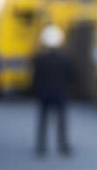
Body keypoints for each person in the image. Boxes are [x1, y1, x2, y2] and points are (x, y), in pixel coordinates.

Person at [32, 24, 73, 156]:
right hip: (60, 94)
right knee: (61, 122)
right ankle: (63, 147)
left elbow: (35, 78)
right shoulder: (66, 59)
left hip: (44, 94)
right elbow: (73, 77)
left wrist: (37, 91)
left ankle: (40, 147)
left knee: (43, 121)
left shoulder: (39, 59)